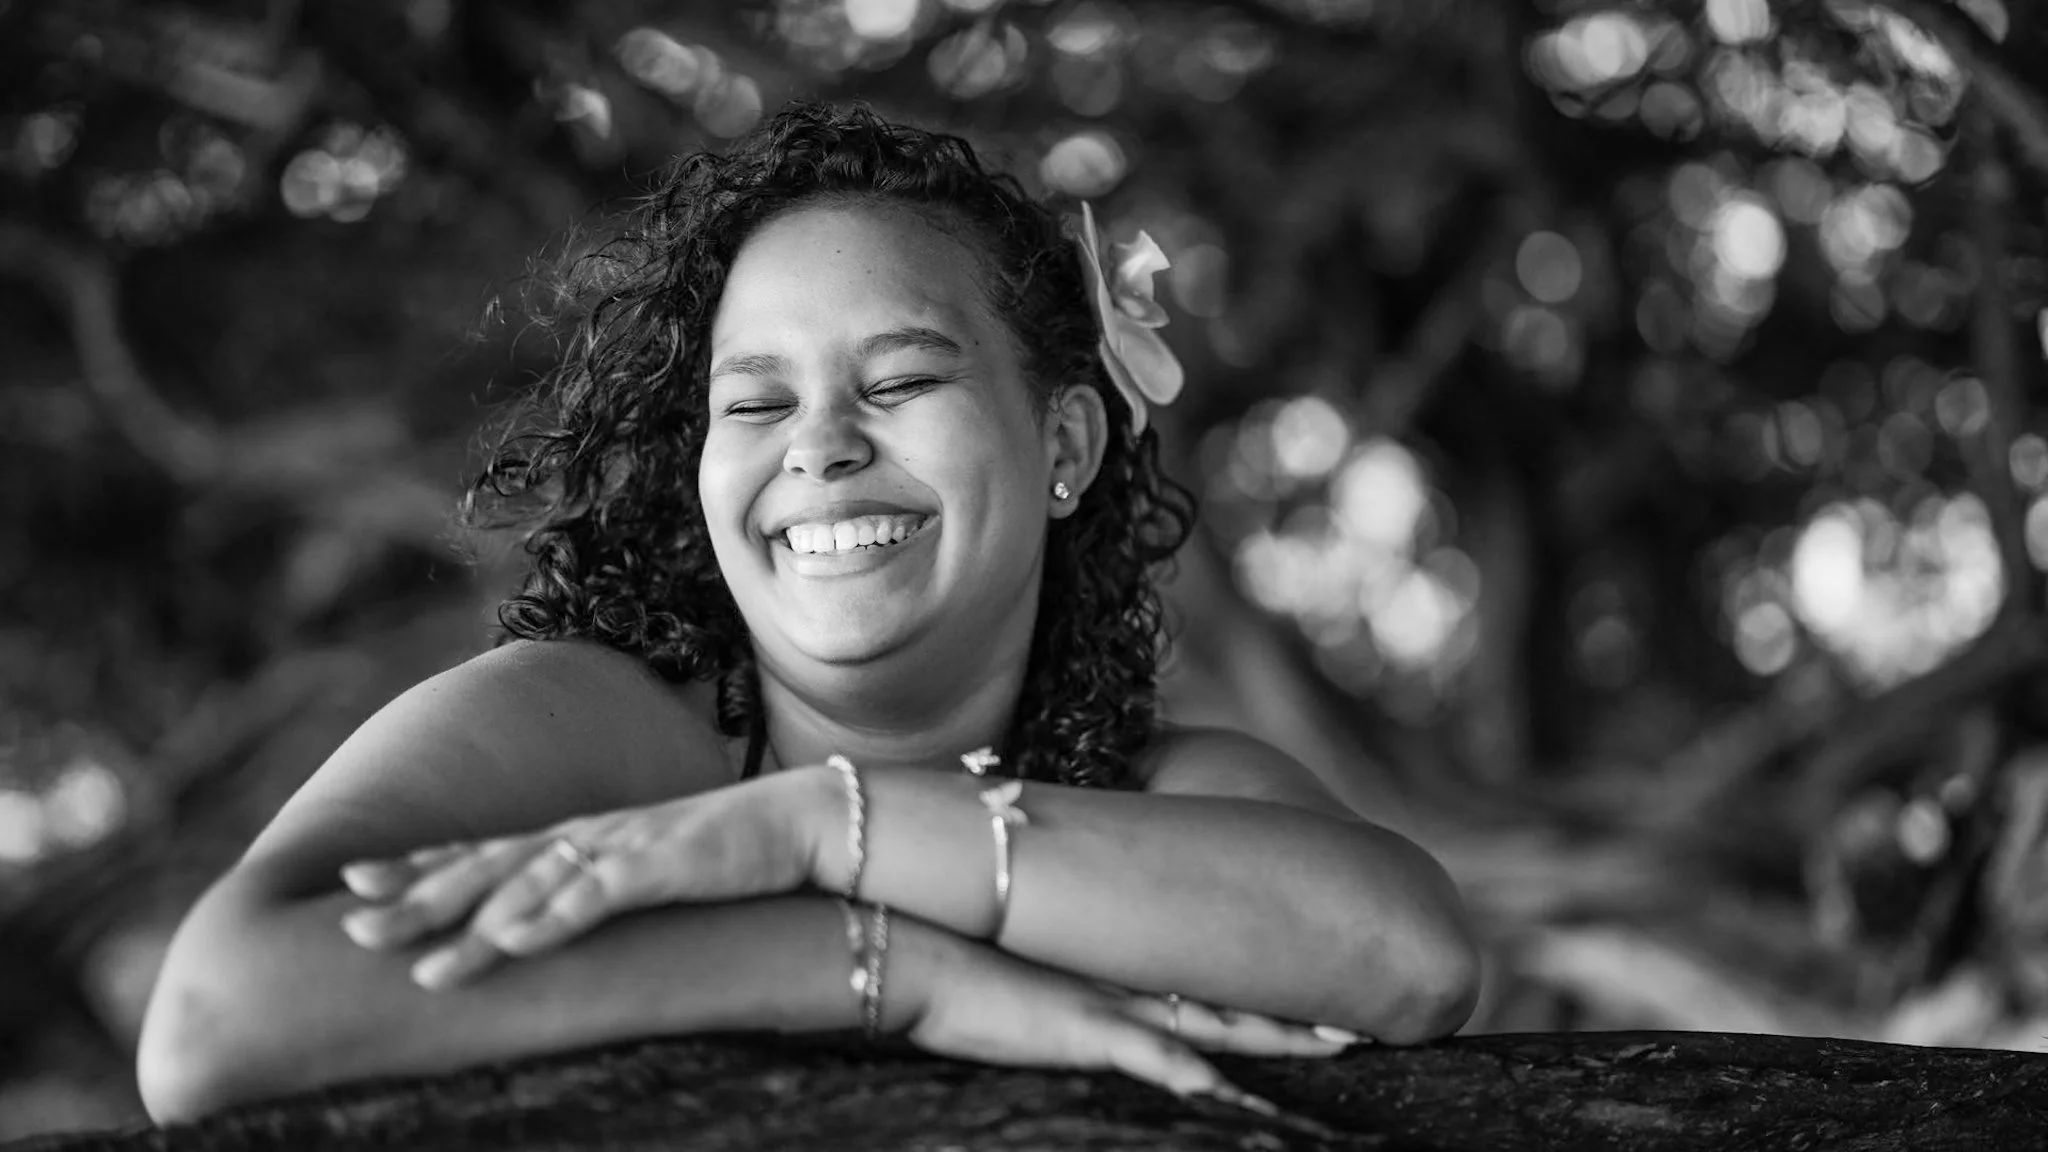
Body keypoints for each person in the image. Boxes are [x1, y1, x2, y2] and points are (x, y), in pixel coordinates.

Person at [135, 101, 1479, 1124]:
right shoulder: (590, 724)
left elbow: (1407, 959)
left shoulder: (1150, 782)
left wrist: (815, 826)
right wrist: (891, 972)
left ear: (1064, 447)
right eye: (757, 401)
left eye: (897, 383)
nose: (819, 447)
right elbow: (214, 1019)